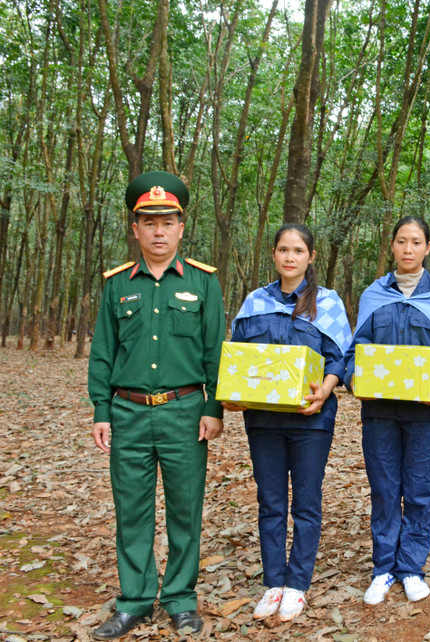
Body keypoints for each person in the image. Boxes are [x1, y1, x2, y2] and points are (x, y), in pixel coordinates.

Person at [88, 171, 225, 640]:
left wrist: (214, 408)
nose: (159, 231)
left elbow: (215, 350)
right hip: (127, 412)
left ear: (181, 229)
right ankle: (134, 601)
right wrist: (101, 410)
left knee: (185, 510)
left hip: (185, 411)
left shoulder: (203, 282)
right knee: (131, 510)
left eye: (168, 222)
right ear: (136, 229)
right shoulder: (117, 285)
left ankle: (181, 599)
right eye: (149, 223)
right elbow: (103, 352)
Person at [223, 223, 351, 623]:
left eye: (298, 250)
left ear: (311, 257)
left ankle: (297, 585)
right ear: (274, 254)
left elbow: (340, 358)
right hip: (263, 421)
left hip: (310, 420)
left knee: (306, 502)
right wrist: (232, 394)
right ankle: (273, 582)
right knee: (271, 501)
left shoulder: (327, 302)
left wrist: (325, 389)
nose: (290, 257)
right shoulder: (254, 302)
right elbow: (238, 359)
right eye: (283, 249)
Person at [344, 216, 430, 605]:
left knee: (421, 490)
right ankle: (383, 568)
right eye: (401, 241)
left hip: (426, 414)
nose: (408, 249)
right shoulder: (373, 294)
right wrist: (353, 378)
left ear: (428, 247)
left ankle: (411, 567)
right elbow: (354, 350)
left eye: (416, 242)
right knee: (384, 489)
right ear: (392, 246)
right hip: (379, 413)